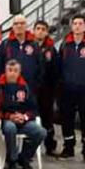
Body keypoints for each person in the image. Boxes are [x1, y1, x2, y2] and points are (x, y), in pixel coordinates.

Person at [58, 14, 85, 163]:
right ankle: (68, 148)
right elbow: (59, 66)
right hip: (67, 90)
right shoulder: (65, 45)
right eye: (75, 23)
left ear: (84, 26)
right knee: (67, 120)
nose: (77, 26)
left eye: (80, 23)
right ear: (71, 26)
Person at [0, 60, 47, 169]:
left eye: (15, 71)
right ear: (5, 71)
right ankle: (12, 160)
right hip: (7, 120)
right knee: (11, 128)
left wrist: (25, 116)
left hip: (23, 120)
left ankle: (24, 157)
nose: (12, 73)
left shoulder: (25, 87)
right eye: (10, 70)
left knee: (41, 132)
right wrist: (9, 116)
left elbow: (34, 108)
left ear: (19, 72)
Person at [0, 15, 43, 93]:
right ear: (12, 27)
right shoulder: (5, 44)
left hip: (30, 90)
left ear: (26, 26)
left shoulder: (34, 45)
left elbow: (41, 67)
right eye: (16, 24)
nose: (19, 26)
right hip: (9, 90)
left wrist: (36, 85)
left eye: (22, 23)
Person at [33, 20, 59, 156]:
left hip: (46, 91)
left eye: (43, 29)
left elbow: (56, 71)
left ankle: (50, 146)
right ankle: (30, 148)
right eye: (38, 28)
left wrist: (54, 92)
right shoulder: (29, 47)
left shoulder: (51, 50)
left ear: (47, 32)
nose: (40, 31)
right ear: (33, 30)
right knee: (31, 119)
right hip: (31, 90)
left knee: (47, 119)